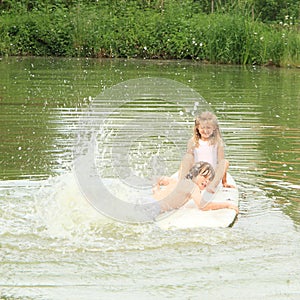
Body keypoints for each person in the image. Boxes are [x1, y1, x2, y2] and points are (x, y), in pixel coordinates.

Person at [152, 161, 238, 214]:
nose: (207, 181)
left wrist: (156, 190)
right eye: (204, 177)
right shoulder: (192, 187)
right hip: (155, 209)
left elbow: (157, 179)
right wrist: (227, 205)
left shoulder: (178, 181)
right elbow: (203, 206)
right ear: (194, 174)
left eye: (209, 180)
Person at [179, 111, 235, 190]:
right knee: (187, 158)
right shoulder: (192, 142)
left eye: (208, 128)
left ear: (214, 128)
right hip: (197, 174)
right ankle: (182, 183)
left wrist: (224, 182)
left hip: (211, 177)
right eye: (202, 128)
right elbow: (187, 162)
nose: (205, 130)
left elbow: (221, 163)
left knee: (225, 162)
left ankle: (212, 186)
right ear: (197, 128)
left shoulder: (218, 142)